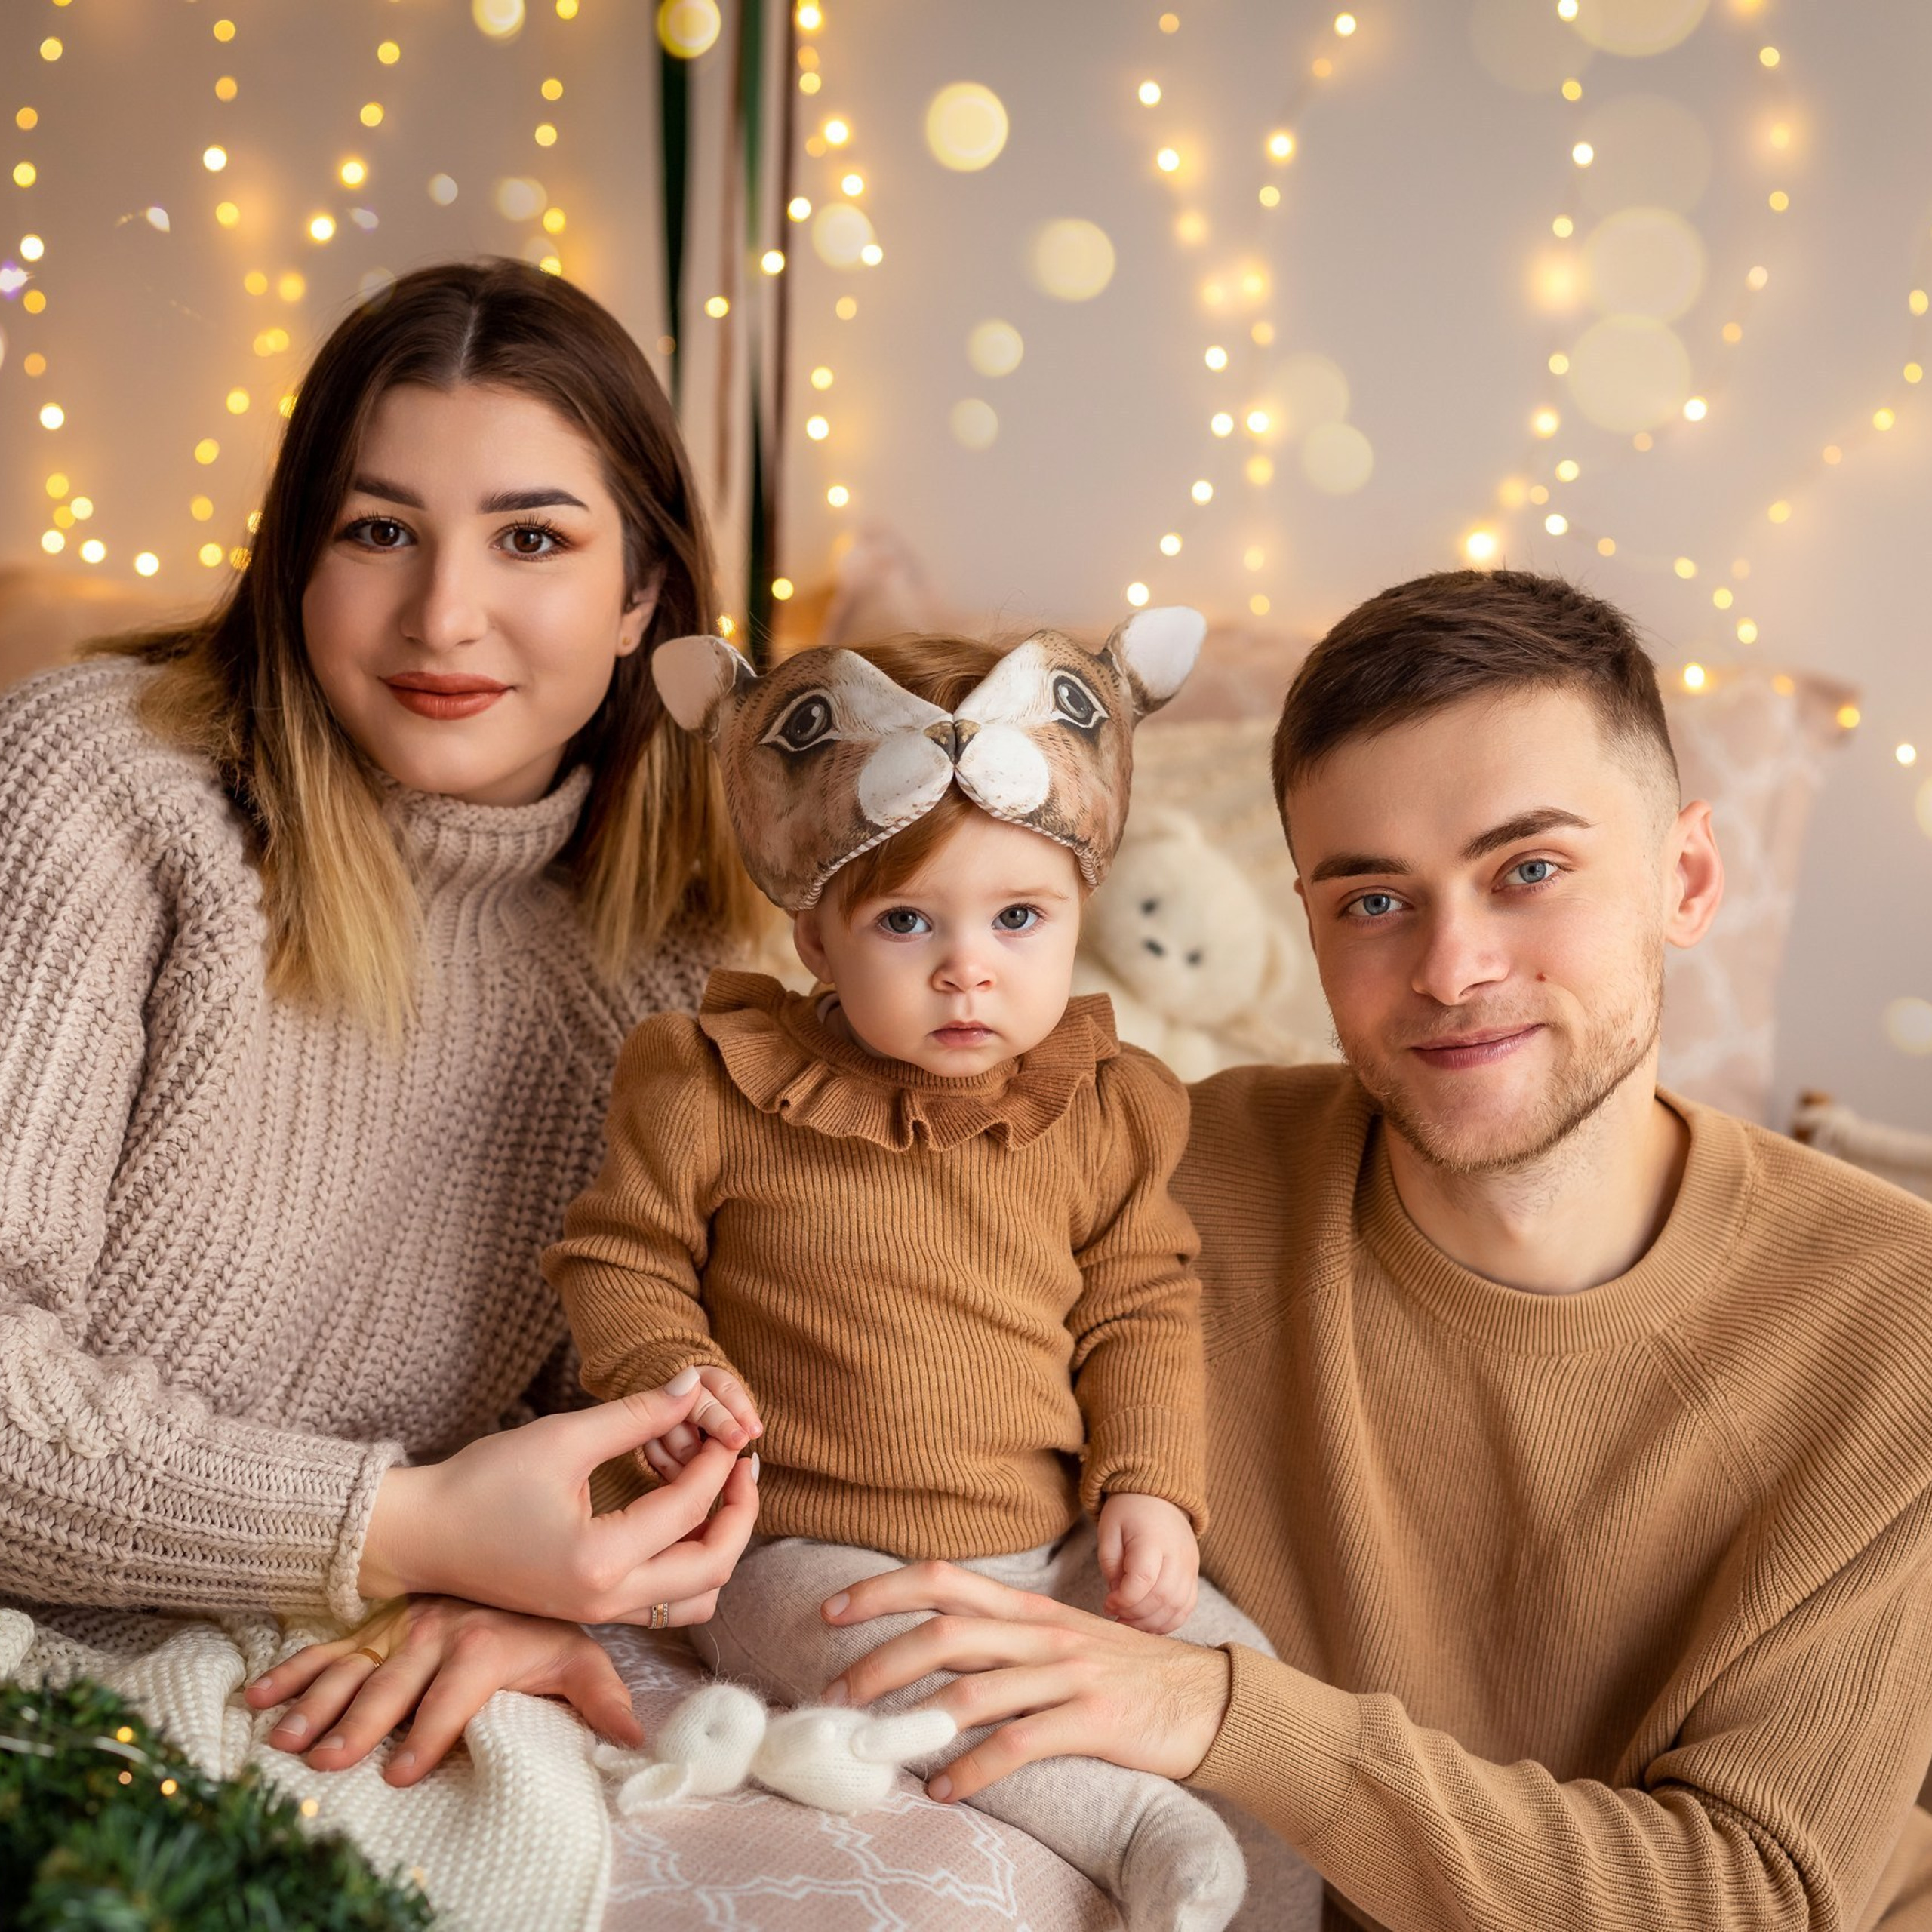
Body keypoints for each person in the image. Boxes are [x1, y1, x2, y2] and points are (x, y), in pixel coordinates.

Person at [813, 570, 1932, 1930]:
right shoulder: (1140, 1173)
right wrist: (577, 1605)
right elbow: (813, 1377)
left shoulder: (1897, 1323)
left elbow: (1750, 1898)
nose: (1452, 969)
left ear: (1686, 879)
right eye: (1374, 901)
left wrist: (1233, 1715)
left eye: (1530, 871)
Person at [0, 260, 763, 1798]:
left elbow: (632, 1444)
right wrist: (401, 1527)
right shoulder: (98, 789)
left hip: (307, 1665)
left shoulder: (677, 984)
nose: (443, 612)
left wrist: (498, 1590)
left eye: (532, 537)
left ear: (642, 599)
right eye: (377, 530)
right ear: (297, 563)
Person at [543, 615, 1301, 1932]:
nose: (971, 968)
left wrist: (1152, 1490)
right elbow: (622, 1258)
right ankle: (1130, 1828)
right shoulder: (710, 1085)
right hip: (803, 1545)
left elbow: (1141, 1307)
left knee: (1259, 1695)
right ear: (819, 939)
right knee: (887, 1667)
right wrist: (674, 1375)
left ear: (1079, 914)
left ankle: (1283, 1908)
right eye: (908, 920)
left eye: (1020, 917)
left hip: (1051, 1548)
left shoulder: (1107, 1106)